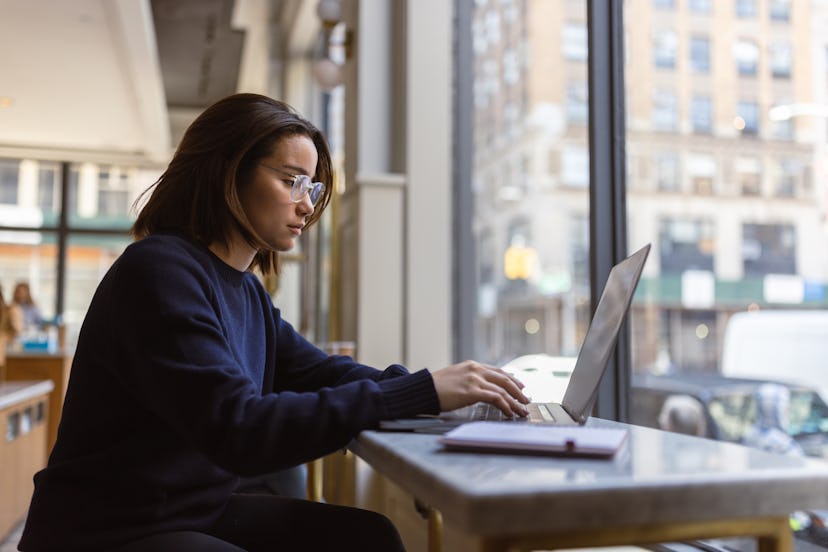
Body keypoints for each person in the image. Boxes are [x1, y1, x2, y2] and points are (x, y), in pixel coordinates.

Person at [18, 93, 530, 552]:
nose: (307, 205)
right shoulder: (158, 272)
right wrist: (422, 393)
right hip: (108, 529)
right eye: (291, 181)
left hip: (189, 512)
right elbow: (239, 427)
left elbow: (321, 372)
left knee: (370, 538)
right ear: (228, 173)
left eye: (312, 186)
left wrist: (438, 392)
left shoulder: (245, 291)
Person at [741, 382, 804, 457]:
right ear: (777, 410)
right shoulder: (782, 445)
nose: (788, 413)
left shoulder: (751, 435)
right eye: (786, 409)